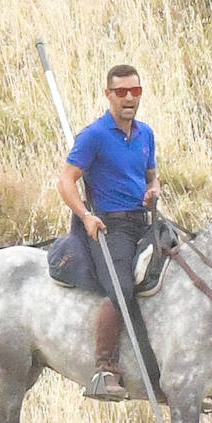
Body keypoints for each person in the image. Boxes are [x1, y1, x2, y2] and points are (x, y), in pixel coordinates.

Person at [52, 64, 161, 401]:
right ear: (108, 95)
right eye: (122, 92)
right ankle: (103, 369)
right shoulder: (94, 135)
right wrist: (85, 216)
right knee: (121, 286)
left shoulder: (145, 134)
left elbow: (151, 175)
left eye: (136, 91)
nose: (129, 98)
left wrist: (153, 189)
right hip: (107, 225)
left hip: (142, 220)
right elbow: (66, 181)